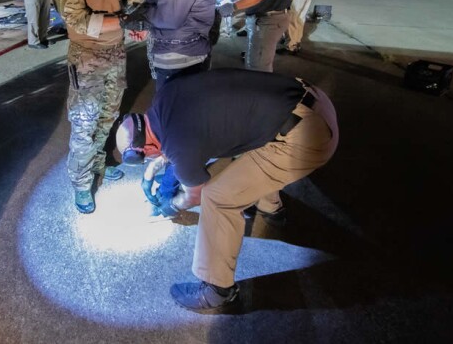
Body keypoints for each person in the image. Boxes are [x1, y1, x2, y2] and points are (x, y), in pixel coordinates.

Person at [115, 69, 338, 313]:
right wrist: (154, 169)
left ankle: (216, 290)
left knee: (218, 197)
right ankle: (271, 208)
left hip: (309, 136)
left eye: (145, 159)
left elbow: (194, 194)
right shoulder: (164, 97)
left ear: (145, 149)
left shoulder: (180, 147)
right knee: (246, 155)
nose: (149, 161)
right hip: (308, 98)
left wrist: (171, 205)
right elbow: (178, 138)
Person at [48, 0, 143, 213]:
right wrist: (128, 20)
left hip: (116, 52)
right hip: (86, 56)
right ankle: (81, 182)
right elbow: (80, 22)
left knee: (108, 116)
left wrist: (139, 17)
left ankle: (100, 164)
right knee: (84, 124)